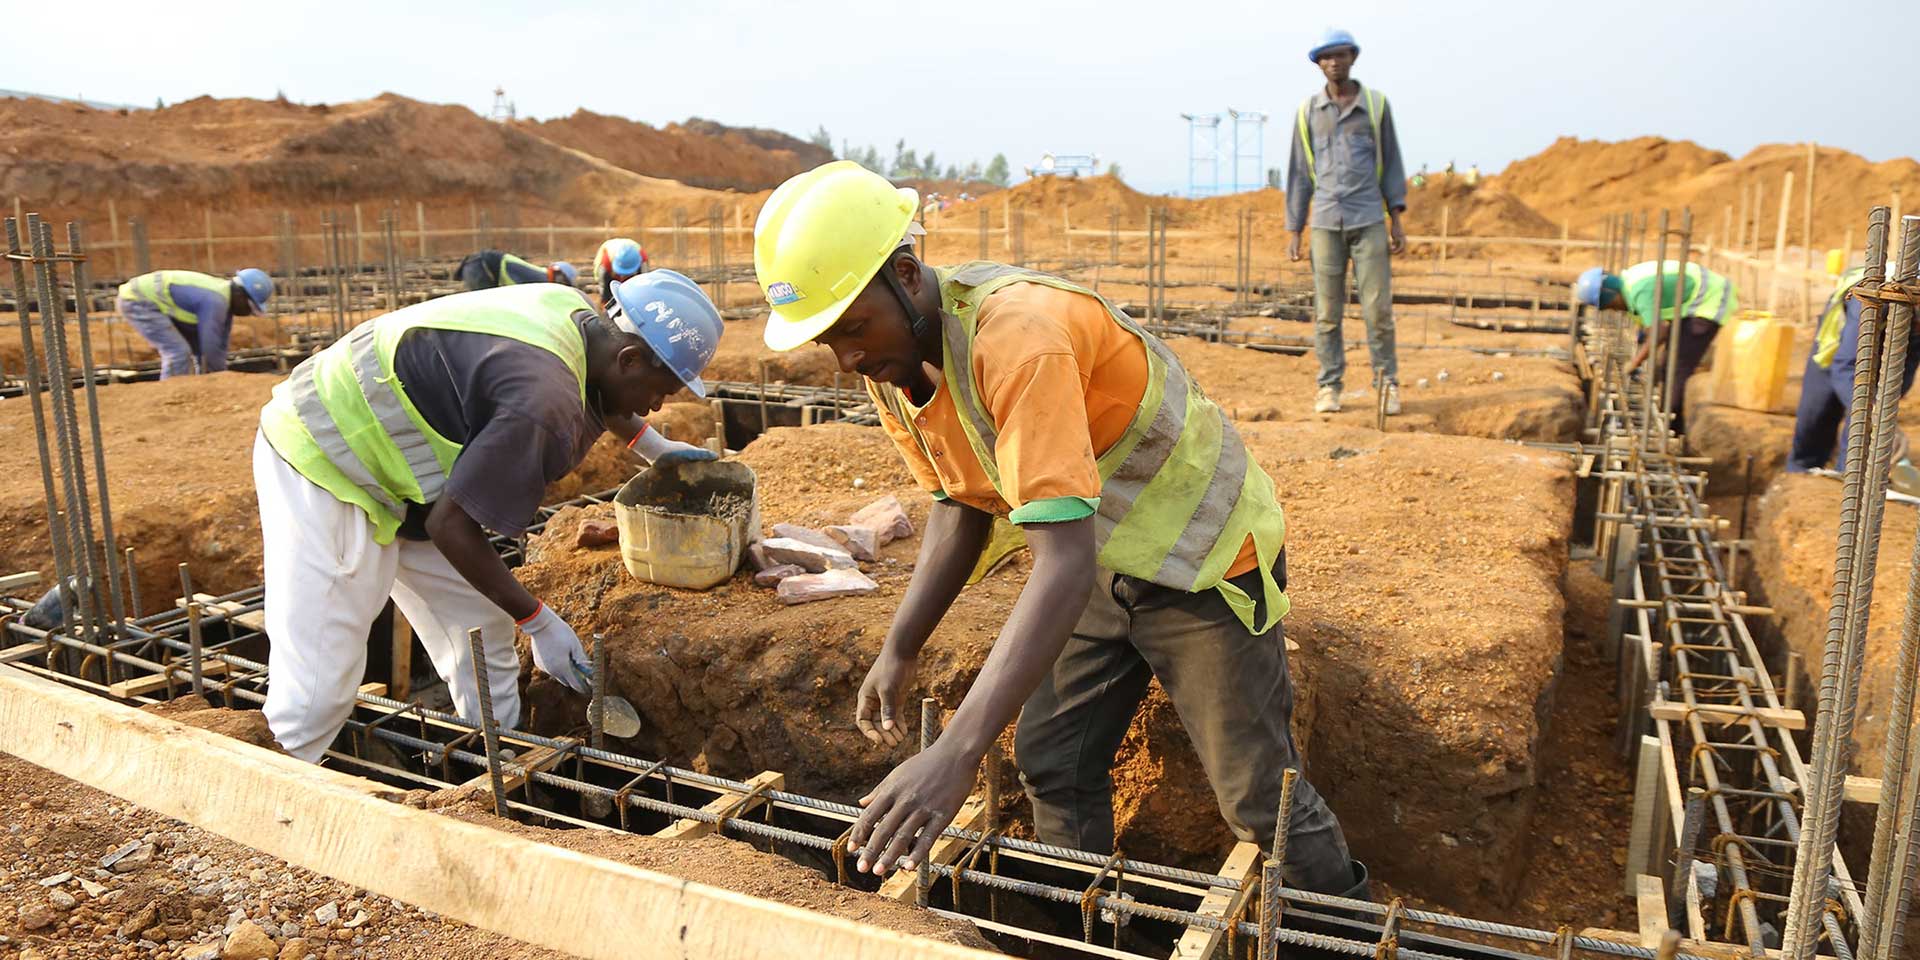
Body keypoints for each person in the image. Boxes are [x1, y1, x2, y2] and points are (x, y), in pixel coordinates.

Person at [753, 160, 1365, 897]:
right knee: (1052, 759)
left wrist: (955, 753)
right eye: (829, 340)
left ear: (908, 275)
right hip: (1097, 558)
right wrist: (900, 646)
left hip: (1199, 563)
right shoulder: (900, 364)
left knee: (1258, 797)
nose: (848, 357)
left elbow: (1060, 563)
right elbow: (960, 501)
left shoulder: (1017, 337)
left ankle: (1337, 938)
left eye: (853, 327)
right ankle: (1084, 932)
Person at [254, 271, 721, 761]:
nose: (657, 404)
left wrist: (653, 445)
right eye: (660, 390)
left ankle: (501, 763)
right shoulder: (542, 403)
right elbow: (451, 526)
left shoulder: (574, 315)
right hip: (327, 460)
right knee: (319, 688)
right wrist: (539, 622)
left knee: (481, 628)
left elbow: (600, 386)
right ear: (629, 358)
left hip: (405, 475)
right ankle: (263, 806)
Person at [1285, 27, 1408, 416]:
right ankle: (1329, 386)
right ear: (1318, 65)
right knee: (1326, 312)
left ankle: (1386, 383)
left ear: (1353, 57)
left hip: (1368, 217)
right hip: (1324, 222)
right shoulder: (1308, 113)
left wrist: (1397, 217)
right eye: (1325, 57)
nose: (1333, 62)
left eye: (1339, 55)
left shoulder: (1375, 106)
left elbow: (1391, 162)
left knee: (1378, 309)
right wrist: (1295, 228)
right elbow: (1300, 172)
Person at [1788, 256, 1920, 483]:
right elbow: (1845, 365)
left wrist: (1885, 408)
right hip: (1835, 350)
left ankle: (1847, 479)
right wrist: (1873, 411)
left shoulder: (1915, 317)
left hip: (1888, 343)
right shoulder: (1870, 297)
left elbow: (1908, 365)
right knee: (1817, 415)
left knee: (1865, 423)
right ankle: (1799, 475)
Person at [1574, 260, 1738, 432]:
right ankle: (1668, 413)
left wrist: (1635, 362)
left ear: (1611, 294)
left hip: (1710, 300)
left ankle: (1672, 428)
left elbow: (1659, 332)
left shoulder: (1639, 292)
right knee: (1666, 362)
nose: (1613, 311)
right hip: (1693, 303)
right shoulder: (1630, 284)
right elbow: (1651, 325)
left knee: (1676, 365)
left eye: (1610, 306)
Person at [115, 268, 272, 378]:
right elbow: (210, 345)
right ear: (240, 294)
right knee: (178, 352)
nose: (247, 313)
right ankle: (169, 396)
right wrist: (218, 379)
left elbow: (218, 345)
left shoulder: (222, 299)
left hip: (150, 302)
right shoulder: (216, 302)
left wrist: (216, 378)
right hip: (138, 301)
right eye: (249, 307)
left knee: (192, 349)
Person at [455, 249, 578, 291]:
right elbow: (516, 292)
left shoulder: (539, 275)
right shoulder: (539, 279)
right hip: (480, 267)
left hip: (477, 266)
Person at [593, 237, 651, 309]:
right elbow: (603, 285)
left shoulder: (642, 259)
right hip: (608, 254)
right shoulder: (605, 262)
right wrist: (605, 301)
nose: (623, 276)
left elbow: (644, 284)